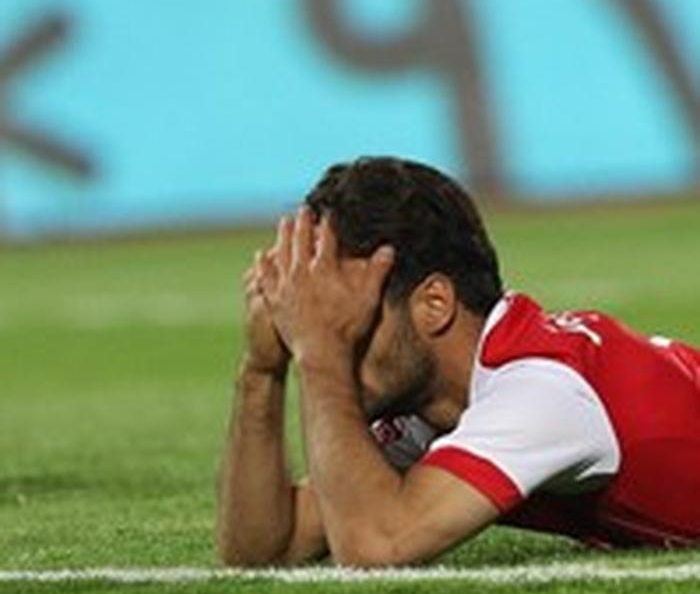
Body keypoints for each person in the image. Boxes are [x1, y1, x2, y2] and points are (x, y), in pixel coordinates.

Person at [216, 156, 700, 568]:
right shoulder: (433, 410)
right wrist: (261, 372)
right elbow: (265, 546)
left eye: (346, 314)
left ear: (434, 304)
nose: (326, 327)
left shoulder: (540, 391)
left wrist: (322, 354)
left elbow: (377, 546)